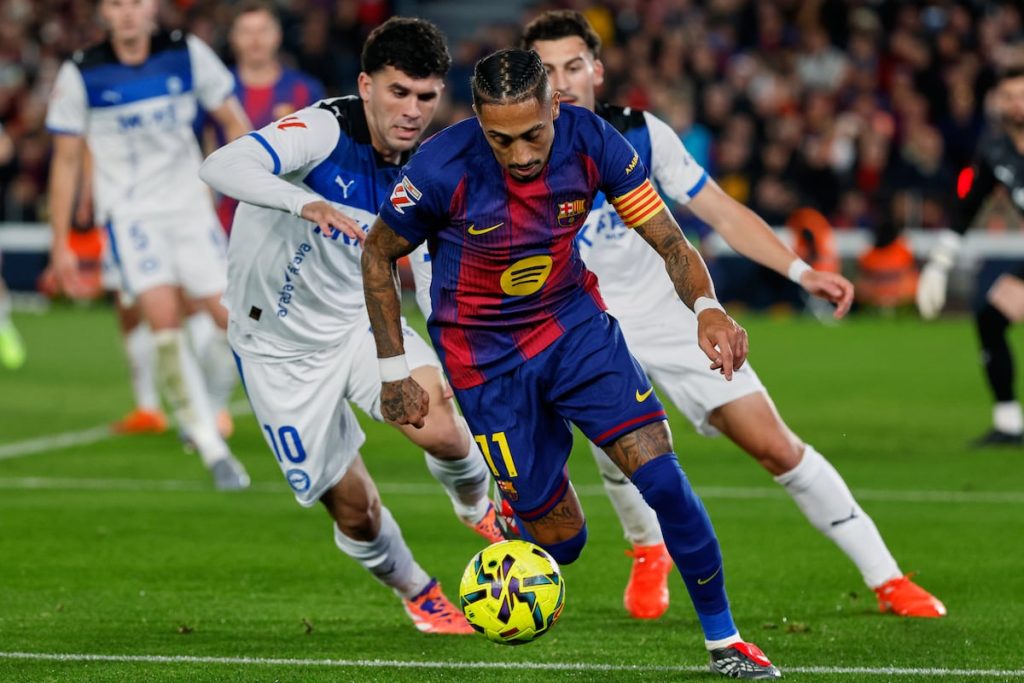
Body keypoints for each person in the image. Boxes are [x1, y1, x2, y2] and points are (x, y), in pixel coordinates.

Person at [363, 47, 781, 679]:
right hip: (483, 361)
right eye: (502, 140)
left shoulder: (594, 142)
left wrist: (707, 308)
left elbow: (670, 240)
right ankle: (517, 509)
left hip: (573, 331)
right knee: (565, 543)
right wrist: (394, 372)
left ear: (555, 105)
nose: (521, 154)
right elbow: (377, 253)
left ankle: (726, 641)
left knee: (664, 482)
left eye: (533, 133)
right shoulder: (441, 167)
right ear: (478, 120)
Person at [520, 9, 945, 621]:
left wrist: (800, 271)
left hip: (672, 313)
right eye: (547, 70)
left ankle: (888, 577)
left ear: (598, 70)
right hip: (581, 323)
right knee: (619, 444)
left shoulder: (641, 134)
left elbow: (719, 210)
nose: (562, 82)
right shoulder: (511, 152)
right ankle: (648, 550)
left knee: (775, 445)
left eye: (574, 66)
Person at [200, 18, 506, 635]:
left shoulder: (432, 169)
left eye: (426, 96)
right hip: (277, 350)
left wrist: (460, 357)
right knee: (356, 510)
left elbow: (431, 277)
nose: (412, 111)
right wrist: (303, 201)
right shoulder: (323, 130)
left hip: (360, 323)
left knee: (443, 427)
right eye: (399, 92)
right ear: (366, 86)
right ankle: (419, 592)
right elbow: (221, 165)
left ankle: (478, 505)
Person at [46, 0, 251, 488]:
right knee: (163, 325)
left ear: (153, 7)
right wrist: (60, 243)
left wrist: (255, 190)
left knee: (231, 322)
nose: (128, 13)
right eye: (117, 3)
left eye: (137, 2)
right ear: (104, 12)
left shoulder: (186, 53)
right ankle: (211, 447)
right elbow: (66, 161)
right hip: (131, 218)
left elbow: (234, 122)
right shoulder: (81, 73)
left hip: (190, 209)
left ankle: (218, 407)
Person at [917, 67, 1024, 445]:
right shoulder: (996, 151)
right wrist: (939, 264)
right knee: (991, 320)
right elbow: (967, 209)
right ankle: (1009, 423)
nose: (1017, 103)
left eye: (1023, 95)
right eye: (1009, 96)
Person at [209, 0, 326, 232]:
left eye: (263, 30)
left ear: (278, 35)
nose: (255, 39)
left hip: (289, 220)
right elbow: (203, 148)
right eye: (246, 31)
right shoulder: (216, 91)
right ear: (232, 37)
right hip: (229, 221)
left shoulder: (305, 90)